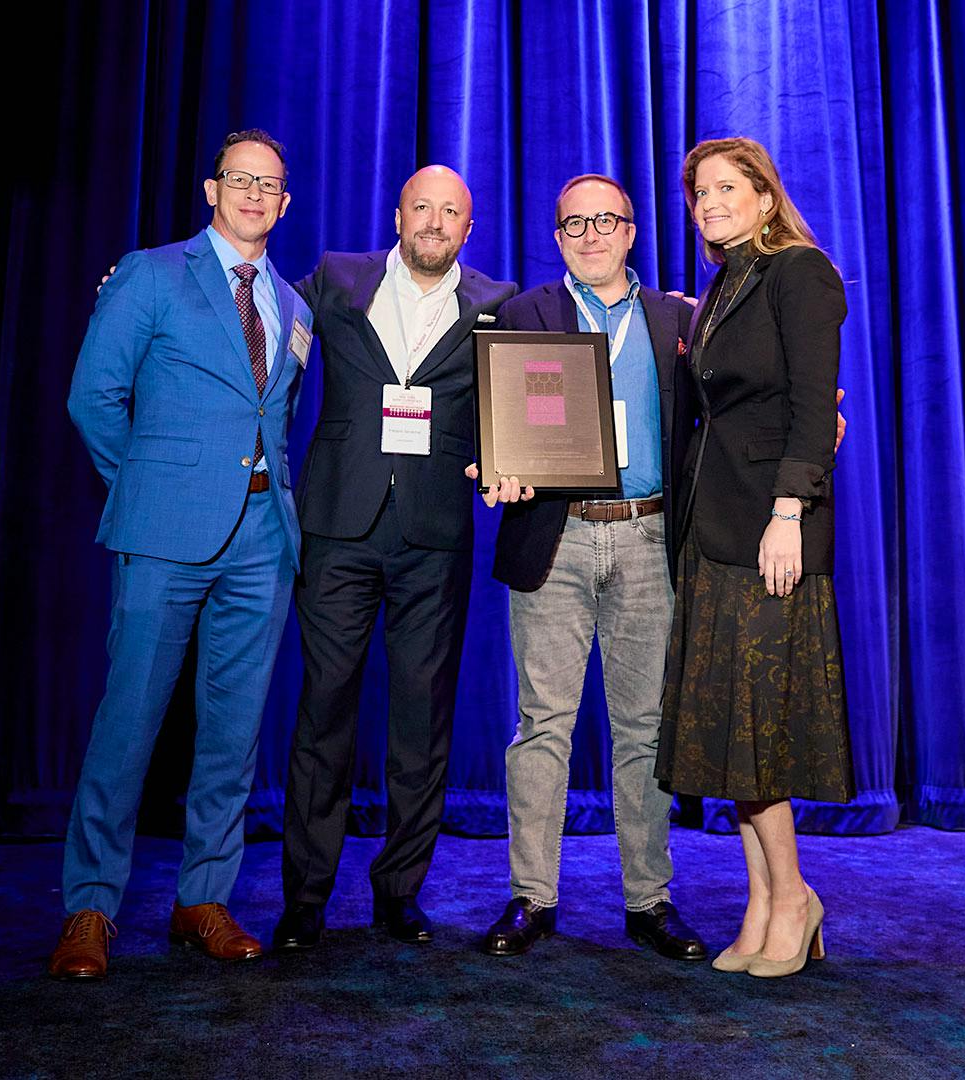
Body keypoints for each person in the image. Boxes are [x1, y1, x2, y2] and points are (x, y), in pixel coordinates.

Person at [52, 130, 313, 979]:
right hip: (163, 536)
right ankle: (90, 908)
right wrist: (146, 488)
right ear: (212, 189)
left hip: (262, 540)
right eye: (239, 178)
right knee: (127, 726)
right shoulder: (149, 274)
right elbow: (94, 395)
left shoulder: (292, 304)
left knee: (233, 736)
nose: (252, 194)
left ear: (283, 202)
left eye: (268, 184)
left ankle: (204, 898)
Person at [272, 166, 517, 951]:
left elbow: (539, 375)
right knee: (324, 713)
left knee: (422, 719)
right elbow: (256, 315)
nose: (436, 221)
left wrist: (679, 316)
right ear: (400, 214)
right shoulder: (336, 279)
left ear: (468, 230)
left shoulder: (497, 303)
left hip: (433, 535)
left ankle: (399, 893)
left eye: (452, 212)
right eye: (424, 207)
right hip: (339, 525)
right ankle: (306, 899)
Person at [469, 175, 707, 961]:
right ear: (559, 236)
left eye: (607, 220)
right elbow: (488, 416)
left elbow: (737, 405)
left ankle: (650, 901)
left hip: (648, 541)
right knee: (543, 728)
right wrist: (494, 465)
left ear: (632, 231)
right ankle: (532, 898)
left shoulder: (680, 319)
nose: (592, 234)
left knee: (644, 731)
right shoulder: (522, 314)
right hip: (554, 537)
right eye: (576, 224)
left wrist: (822, 411)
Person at [655, 137, 855, 978]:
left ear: (766, 197)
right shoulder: (723, 284)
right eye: (701, 192)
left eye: (729, 188)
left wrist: (788, 513)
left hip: (768, 535)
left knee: (759, 735)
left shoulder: (800, 272)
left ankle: (794, 897)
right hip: (714, 532)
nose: (711, 202)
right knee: (727, 738)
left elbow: (814, 407)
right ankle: (763, 900)